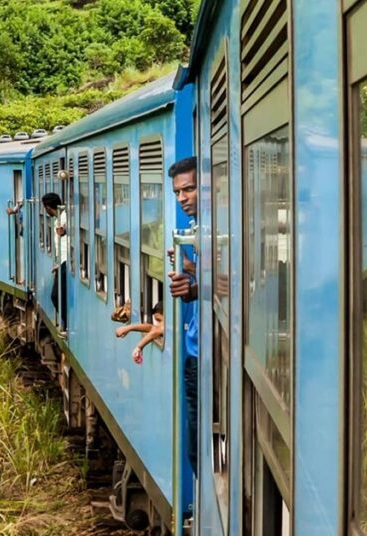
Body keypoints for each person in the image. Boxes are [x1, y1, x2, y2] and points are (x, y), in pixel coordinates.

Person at [167, 156, 199, 476]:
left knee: (197, 451)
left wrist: (193, 287)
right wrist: (188, 271)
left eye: (188, 189)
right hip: (195, 350)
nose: (182, 198)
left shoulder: (217, 228)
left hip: (205, 354)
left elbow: (230, 282)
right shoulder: (197, 228)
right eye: (178, 192)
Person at [43, 193, 68, 332]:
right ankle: (65, 322)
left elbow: (65, 230)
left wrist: (64, 230)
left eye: (45, 208)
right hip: (62, 261)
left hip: (67, 261)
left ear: (48, 207)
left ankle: (66, 324)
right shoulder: (59, 217)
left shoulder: (64, 217)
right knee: (57, 295)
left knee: (55, 296)